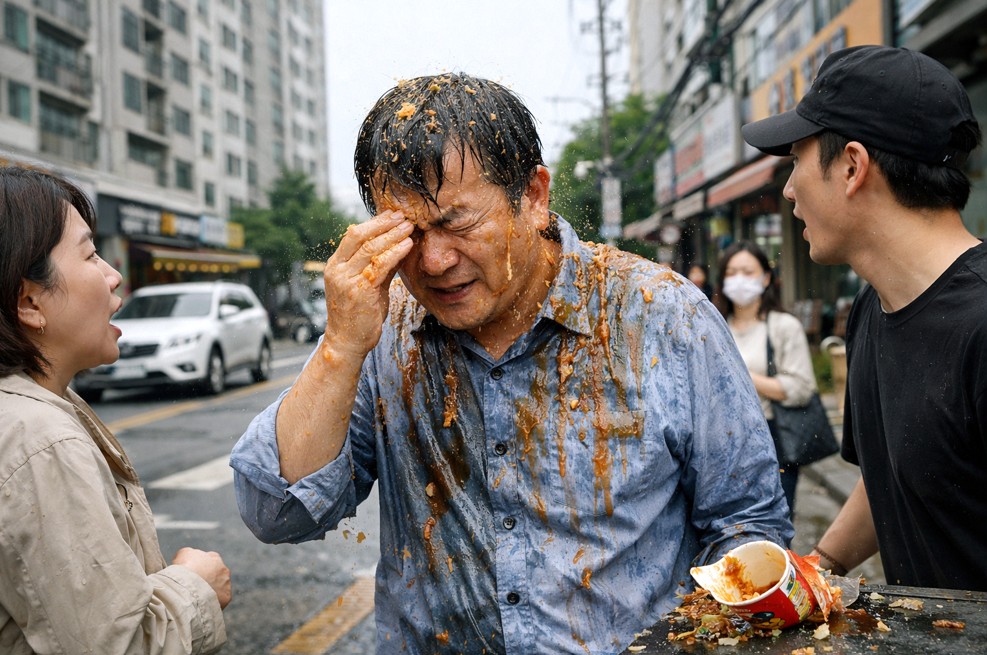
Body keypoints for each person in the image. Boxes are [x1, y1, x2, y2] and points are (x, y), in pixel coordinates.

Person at [231, 73, 793, 653]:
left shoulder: (663, 316)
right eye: (405, 232)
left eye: (456, 222)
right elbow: (277, 514)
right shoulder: (383, 331)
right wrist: (342, 346)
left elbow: (746, 527)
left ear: (534, 196)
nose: (435, 260)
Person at [742, 45, 987, 590]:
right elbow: (894, 479)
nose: (787, 190)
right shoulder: (871, 311)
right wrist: (815, 571)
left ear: (852, 166)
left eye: (796, 161)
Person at [0, 166, 231, 653]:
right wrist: (196, 585)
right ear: (29, 301)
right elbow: (118, 645)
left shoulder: (41, 410)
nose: (113, 275)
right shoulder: (39, 441)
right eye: (89, 254)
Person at [715, 241, 817, 516]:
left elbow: (801, 388)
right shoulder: (713, 326)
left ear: (766, 278)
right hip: (718, 440)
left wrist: (743, 376)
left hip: (772, 440)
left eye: (748, 272)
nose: (739, 280)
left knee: (772, 525)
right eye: (731, 272)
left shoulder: (783, 326)